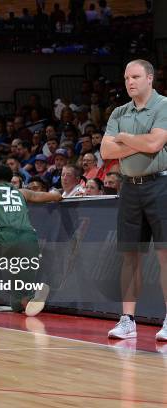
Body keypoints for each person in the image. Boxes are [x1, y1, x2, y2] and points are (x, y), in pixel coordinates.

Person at [99, 60, 167, 341]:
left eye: (136, 76)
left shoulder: (163, 105)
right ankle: (127, 319)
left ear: (150, 78)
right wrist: (138, 140)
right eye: (127, 77)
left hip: (160, 185)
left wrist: (124, 139)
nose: (130, 82)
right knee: (129, 256)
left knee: (165, 256)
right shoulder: (118, 111)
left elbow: (155, 145)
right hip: (130, 188)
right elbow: (105, 151)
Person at [0, 165, 62, 316]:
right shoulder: (22, 192)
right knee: (17, 302)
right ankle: (28, 299)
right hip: (29, 237)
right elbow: (51, 197)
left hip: (5, 237)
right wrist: (57, 195)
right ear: (11, 178)